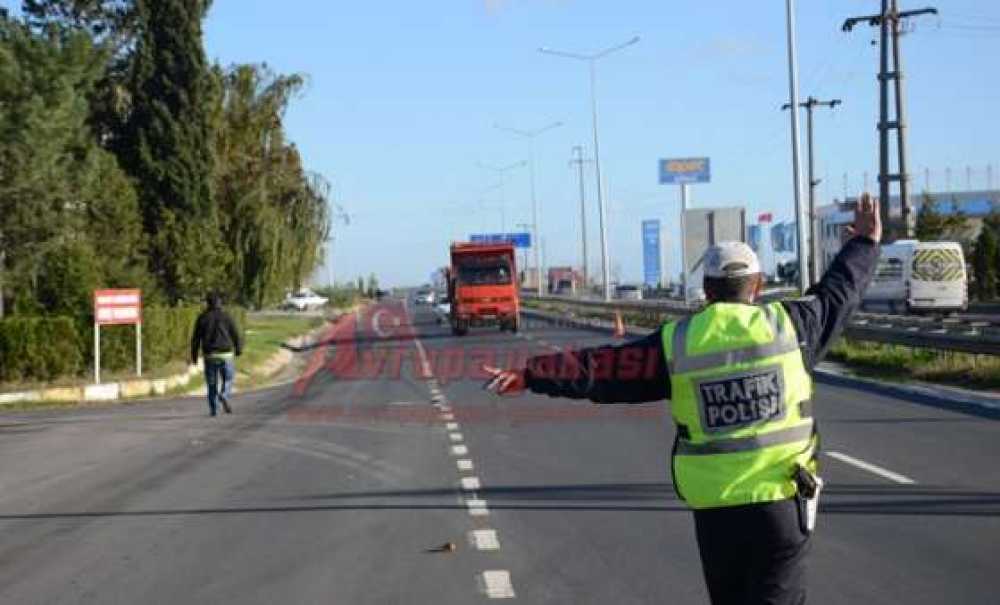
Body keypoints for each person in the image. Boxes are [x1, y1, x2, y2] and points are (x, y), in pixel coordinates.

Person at [484, 194, 882, 604]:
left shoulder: (678, 342)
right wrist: (865, 243)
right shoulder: (790, 327)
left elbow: (601, 369)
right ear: (758, 286)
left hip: (716, 512)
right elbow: (840, 292)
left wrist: (530, 375)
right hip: (781, 505)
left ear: (706, 290)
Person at [190, 292, 243, 417]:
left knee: (211, 384)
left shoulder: (202, 318)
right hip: (226, 354)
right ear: (220, 303)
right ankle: (224, 395)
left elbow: (196, 339)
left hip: (210, 355)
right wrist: (238, 348)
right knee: (228, 378)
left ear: (207, 303)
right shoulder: (227, 317)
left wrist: (194, 355)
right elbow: (235, 334)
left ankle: (214, 410)